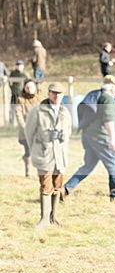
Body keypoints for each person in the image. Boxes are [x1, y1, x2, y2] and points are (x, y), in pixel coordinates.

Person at [63, 75, 115, 202]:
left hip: (88, 135)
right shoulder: (108, 99)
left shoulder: (94, 95)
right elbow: (108, 120)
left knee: (88, 166)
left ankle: (67, 188)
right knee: (114, 163)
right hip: (101, 137)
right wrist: (113, 139)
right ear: (112, 87)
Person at [25, 82, 72, 227]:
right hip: (44, 153)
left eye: (59, 94)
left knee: (57, 185)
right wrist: (36, 148)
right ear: (49, 93)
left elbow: (68, 132)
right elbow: (29, 132)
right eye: (54, 93)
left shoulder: (65, 112)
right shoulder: (38, 111)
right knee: (45, 185)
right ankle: (44, 218)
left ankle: (54, 217)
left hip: (59, 155)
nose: (56, 96)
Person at [15, 79, 42, 176]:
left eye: (31, 87)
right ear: (24, 88)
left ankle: (41, 170)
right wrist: (25, 127)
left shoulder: (39, 99)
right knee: (29, 151)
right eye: (27, 87)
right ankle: (28, 170)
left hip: (38, 130)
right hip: (26, 131)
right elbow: (18, 115)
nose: (29, 89)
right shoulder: (20, 100)